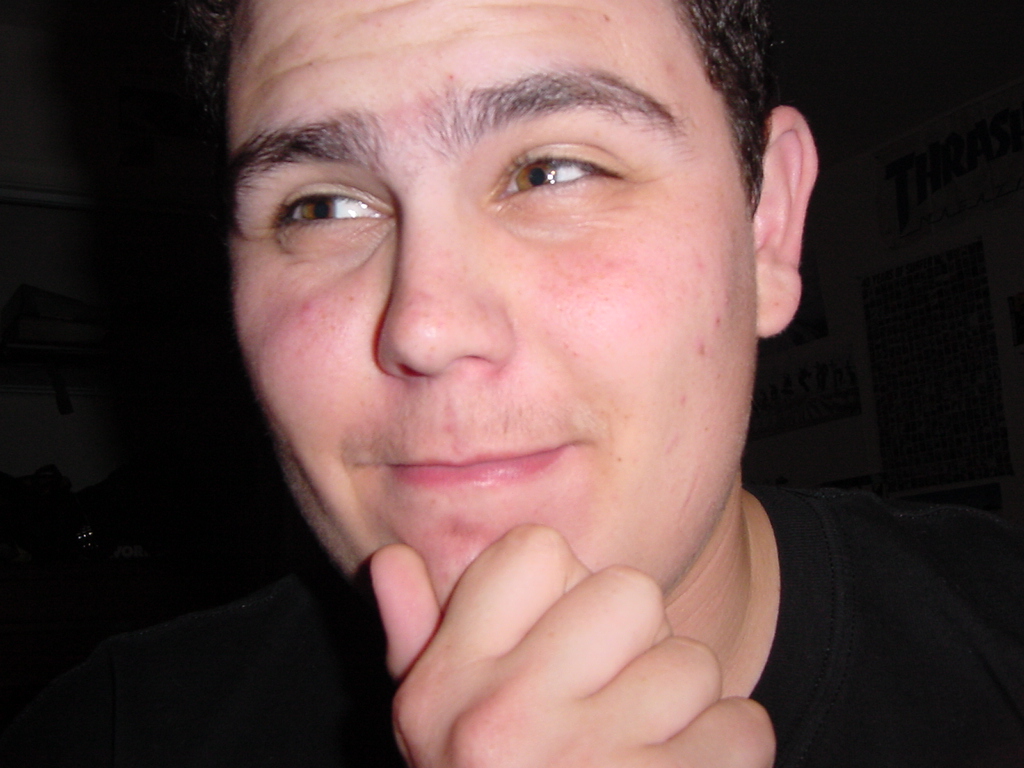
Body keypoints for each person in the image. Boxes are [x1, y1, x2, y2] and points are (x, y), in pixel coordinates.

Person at [2, 0, 1023, 765]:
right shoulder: (105, 738)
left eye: (552, 171)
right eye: (321, 206)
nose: (426, 326)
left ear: (767, 228)